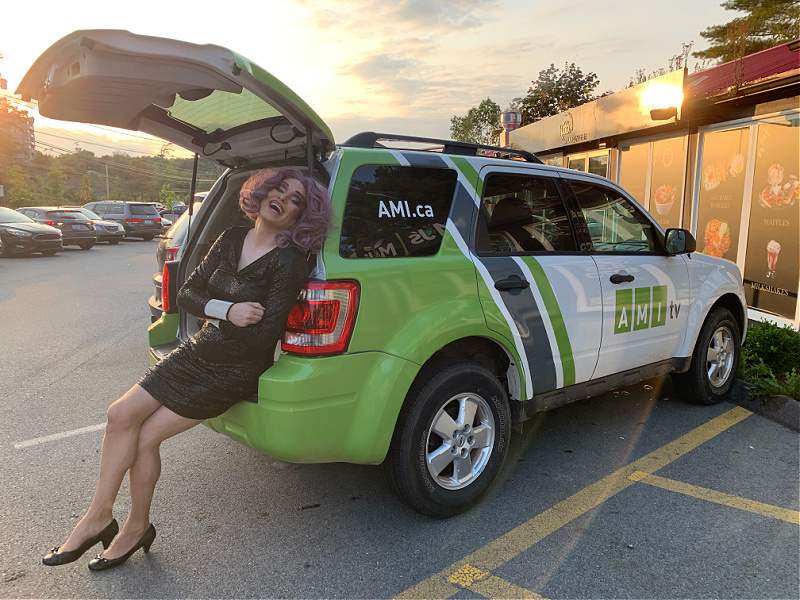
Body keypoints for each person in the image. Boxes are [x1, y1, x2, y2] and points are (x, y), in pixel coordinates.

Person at [42, 167, 332, 571]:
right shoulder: (231, 238)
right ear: (263, 193)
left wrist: (221, 315)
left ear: (301, 217)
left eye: (296, 198)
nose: (283, 197)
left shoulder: (289, 261)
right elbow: (187, 294)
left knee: (144, 439)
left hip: (232, 370)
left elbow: (262, 336)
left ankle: (134, 526)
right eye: (279, 187)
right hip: (198, 352)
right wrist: (227, 310)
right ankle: (99, 515)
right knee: (119, 415)